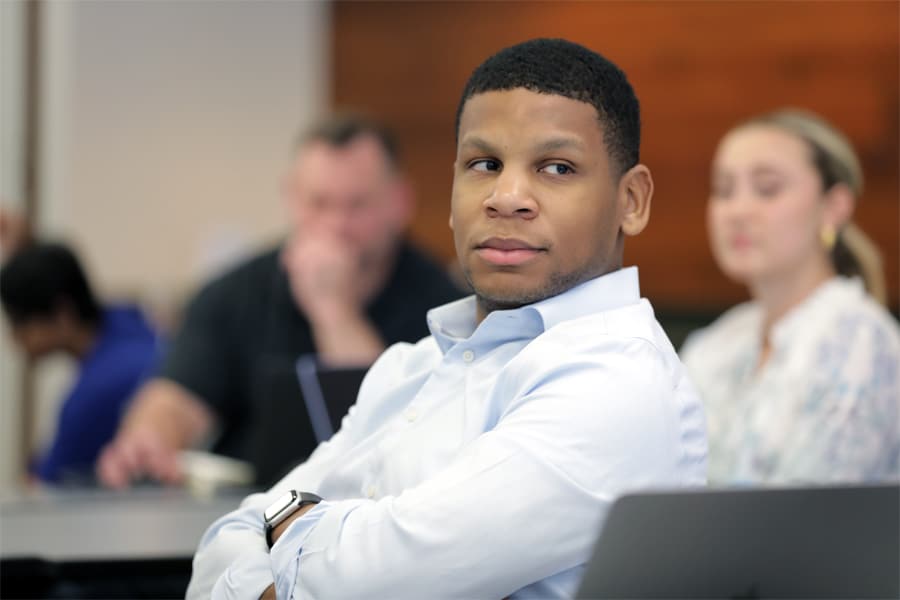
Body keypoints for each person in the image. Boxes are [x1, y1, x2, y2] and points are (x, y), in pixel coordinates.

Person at [186, 38, 707, 600]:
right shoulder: (411, 367)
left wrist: (286, 530)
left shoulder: (617, 380)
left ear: (631, 200)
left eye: (557, 167)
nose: (507, 198)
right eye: (484, 164)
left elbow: (381, 581)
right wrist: (301, 541)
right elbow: (226, 538)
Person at [97, 114, 465, 489]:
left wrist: (334, 310)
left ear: (400, 202)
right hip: (256, 513)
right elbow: (178, 397)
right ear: (290, 198)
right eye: (319, 204)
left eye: (357, 205)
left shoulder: (449, 306)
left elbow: (394, 438)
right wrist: (151, 438)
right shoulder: (233, 294)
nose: (336, 224)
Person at [680, 109, 900, 485]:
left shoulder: (860, 341)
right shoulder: (715, 344)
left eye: (767, 188)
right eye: (724, 189)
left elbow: (811, 517)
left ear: (834, 207)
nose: (737, 210)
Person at [0, 242, 161, 484]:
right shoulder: (133, 324)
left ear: (62, 312)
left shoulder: (96, 391)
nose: (14, 338)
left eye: (19, 323)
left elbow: (42, 488)